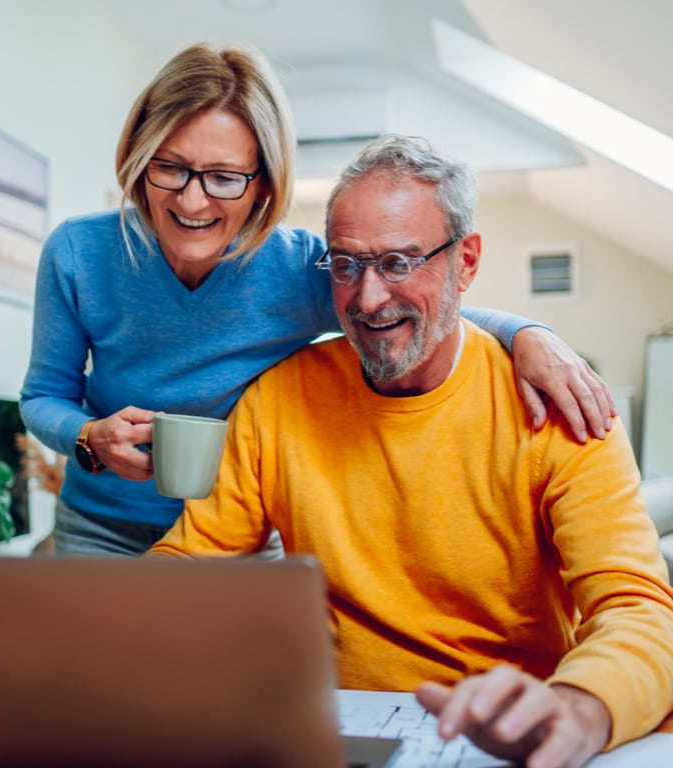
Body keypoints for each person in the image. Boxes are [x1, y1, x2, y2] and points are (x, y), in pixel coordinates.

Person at [147, 135, 673, 768]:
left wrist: (578, 710)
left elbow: (638, 610)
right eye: (346, 264)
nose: (368, 299)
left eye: (398, 263)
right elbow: (187, 566)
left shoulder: (558, 407)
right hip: (337, 734)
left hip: (508, 737)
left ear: (467, 261)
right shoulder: (279, 398)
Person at [20, 42, 614, 556]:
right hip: (100, 527)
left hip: (243, 536)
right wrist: (89, 438)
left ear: (264, 186)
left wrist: (528, 334)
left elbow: (411, 305)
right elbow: (44, 395)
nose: (193, 202)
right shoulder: (79, 252)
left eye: (225, 177)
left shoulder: (298, 267)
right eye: (170, 168)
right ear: (138, 159)